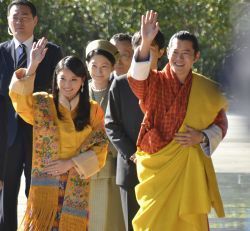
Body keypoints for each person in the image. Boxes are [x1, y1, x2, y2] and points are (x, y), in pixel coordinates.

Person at [127, 11, 228, 230]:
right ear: (167, 54)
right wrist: (145, 42)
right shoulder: (155, 81)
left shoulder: (207, 90)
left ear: (196, 56)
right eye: (175, 53)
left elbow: (221, 123)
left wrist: (201, 136)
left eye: (186, 53)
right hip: (157, 166)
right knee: (152, 223)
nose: (179, 58)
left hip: (188, 165)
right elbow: (136, 80)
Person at [9, 38, 108, 230]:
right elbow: (19, 100)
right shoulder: (42, 103)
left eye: (74, 80)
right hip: (46, 181)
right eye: (62, 78)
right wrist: (33, 66)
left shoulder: (93, 110)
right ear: (55, 79)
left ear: (82, 82)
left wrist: (70, 163)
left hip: (75, 179)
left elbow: (101, 146)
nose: (67, 85)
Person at [0, 1, 63, 230]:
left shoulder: (52, 51)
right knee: (6, 195)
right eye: (15, 17)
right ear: (8, 21)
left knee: (36, 191)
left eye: (25, 16)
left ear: (35, 20)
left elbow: (58, 93)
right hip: (6, 135)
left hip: (40, 135)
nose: (19, 21)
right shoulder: (1, 51)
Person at [104, 29, 166, 231]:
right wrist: (134, 155)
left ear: (162, 52)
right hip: (131, 170)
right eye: (140, 47)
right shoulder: (121, 84)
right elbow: (111, 124)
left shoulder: (171, 83)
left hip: (166, 169)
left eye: (151, 47)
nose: (145, 51)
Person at [85, 39, 125, 231]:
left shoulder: (121, 91)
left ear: (113, 67)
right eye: (94, 66)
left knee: (112, 218)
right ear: (87, 65)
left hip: (113, 166)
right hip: (83, 166)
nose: (98, 71)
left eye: (104, 66)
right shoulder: (78, 90)